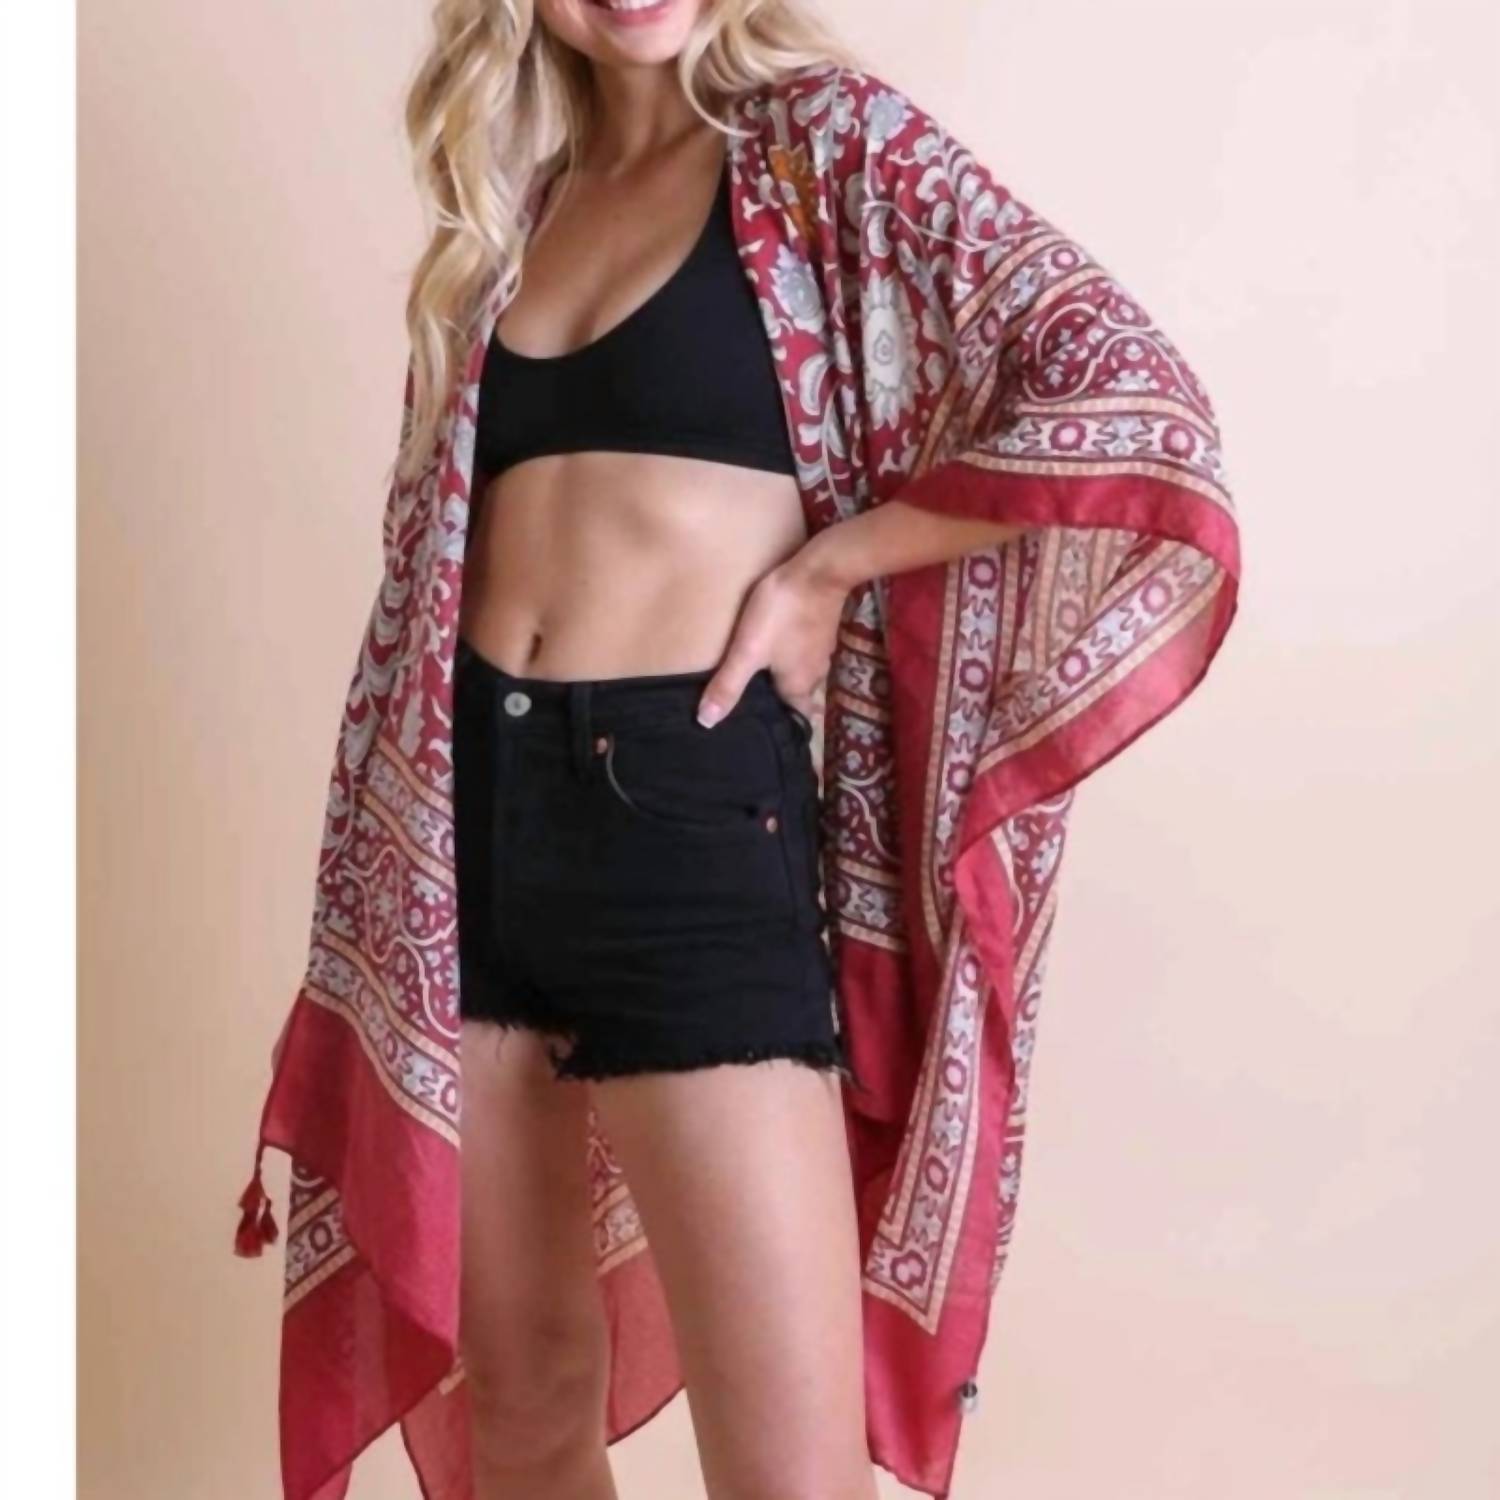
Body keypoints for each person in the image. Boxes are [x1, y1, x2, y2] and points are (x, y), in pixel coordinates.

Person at [236, 3, 1241, 1498]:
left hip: (686, 809)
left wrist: (833, 567)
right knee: (523, 1409)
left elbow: (1122, 383)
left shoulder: (824, 147)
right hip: (465, 821)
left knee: (788, 1474)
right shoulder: (516, 211)